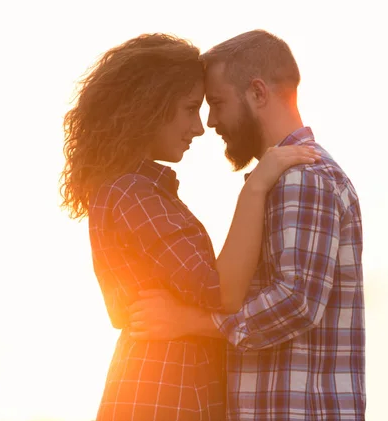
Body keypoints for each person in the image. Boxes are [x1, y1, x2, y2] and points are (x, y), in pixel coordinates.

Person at [60, 33, 321, 421]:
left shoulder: (138, 191)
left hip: (169, 390)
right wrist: (257, 186)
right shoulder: (133, 194)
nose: (200, 128)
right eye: (189, 109)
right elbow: (221, 292)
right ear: (148, 109)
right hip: (166, 395)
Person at [129, 30, 366, 420]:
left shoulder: (303, 178)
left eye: (217, 103)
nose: (210, 121)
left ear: (257, 93)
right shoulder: (279, 179)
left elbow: (296, 302)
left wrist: (187, 322)